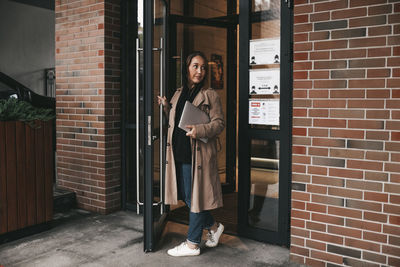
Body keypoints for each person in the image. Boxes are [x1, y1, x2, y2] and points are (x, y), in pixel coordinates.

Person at [157, 51, 225, 257]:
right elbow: (178, 120)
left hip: (198, 156)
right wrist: (167, 107)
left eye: (203, 67)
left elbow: (219, 124)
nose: (199, 71)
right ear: (187, 68)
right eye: (195, 66)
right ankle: (213, 227)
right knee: (188, 196)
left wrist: (200, 130)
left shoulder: (210, 94)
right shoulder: (179, 93)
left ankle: (193, 244)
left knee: (195, 197)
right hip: (178, 152)